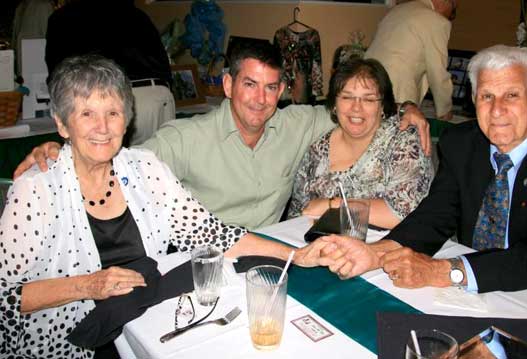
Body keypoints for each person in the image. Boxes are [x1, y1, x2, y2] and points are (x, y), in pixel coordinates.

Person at [0, 55, 332, 358]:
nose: (102, 128)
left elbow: (211, 232)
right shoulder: (37, 190)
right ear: (62, 124)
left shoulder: (143, 168)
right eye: (86, 114)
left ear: (126, 121)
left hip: (149, 325)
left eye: (112, 113)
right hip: (69, 344)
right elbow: (4, 297)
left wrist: (294, 255)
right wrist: (87, 285)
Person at [14, 41, 432, 230]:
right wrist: (64, 149)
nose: (260, 99)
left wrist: (406, 110)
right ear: (229, 85)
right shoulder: (187, 138)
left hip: (270, 257)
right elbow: (118, 162)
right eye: (249, 84)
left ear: (282, 91)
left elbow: (355, 112)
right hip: (204, 259)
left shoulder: (297, 123)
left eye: (271, 87)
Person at [320, 45, 527, 294]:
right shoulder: (461, 144)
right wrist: (375, 253)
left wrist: (441, 271)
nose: (497, 110)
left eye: (511, 95)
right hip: (478, 288)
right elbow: (435, 217)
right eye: (486, 96)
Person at [288, 58, 434, 229]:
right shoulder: (317, 151)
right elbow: (298, 215)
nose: (356, 108)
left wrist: (332, 205)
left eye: (369, 99)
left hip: (390, 248)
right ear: (334, 104)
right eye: (347, 97)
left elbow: (403, 213)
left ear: (383, 106)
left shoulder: (403, 139)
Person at [44, 0, 175, 146]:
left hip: (106, 100)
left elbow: (58, 73)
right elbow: (161, 58)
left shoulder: (62, 17)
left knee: (104, 165)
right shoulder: (136, 14)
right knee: (159, 164)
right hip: (154, 95)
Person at [365, 0, 456, 121]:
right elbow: (438, 72)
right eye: (452, 10)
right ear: (446, 2)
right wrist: (445, 110)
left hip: (366, 79)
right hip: (396, 91)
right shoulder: (436, 21)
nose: (450, 16)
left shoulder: (397, 10)